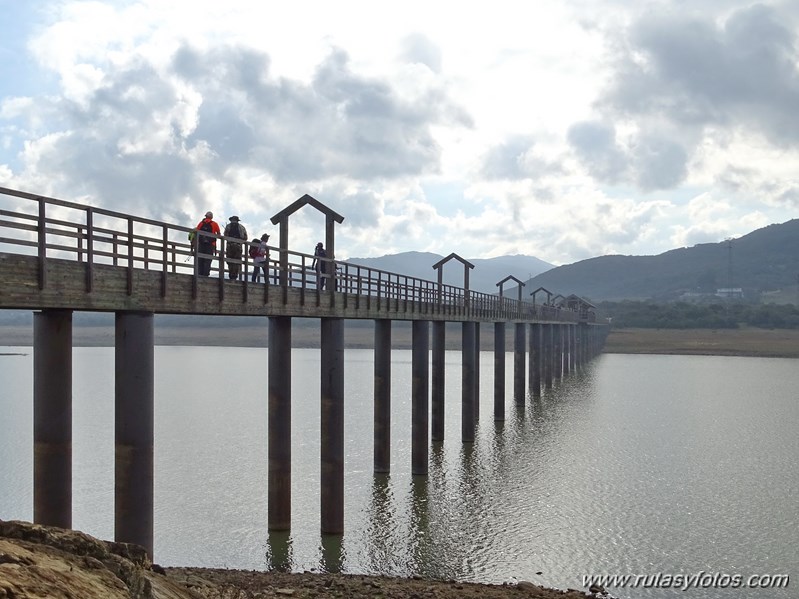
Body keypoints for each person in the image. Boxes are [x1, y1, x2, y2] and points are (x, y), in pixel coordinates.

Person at [194, 211, 221, 276]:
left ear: (205, 216)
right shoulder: (215, 224)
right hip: (210, 245)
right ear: (211, 217)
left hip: (201, 244)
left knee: (200, 259)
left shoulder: (200, 223)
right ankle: (206, 275)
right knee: (208, 260)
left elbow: (196, 232)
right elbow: (219, 234)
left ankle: (199, 274)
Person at [223, 216, 248, 280]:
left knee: (229, 260)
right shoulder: (242, 227)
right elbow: (245, 238)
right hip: (238, 247)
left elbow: (225, 235)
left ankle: (231, 275)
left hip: (230, 246)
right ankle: (235, 276)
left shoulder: (228, 226)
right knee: (237, 261)